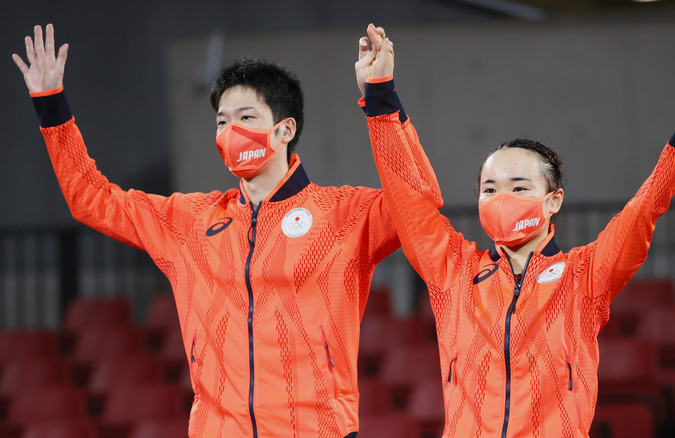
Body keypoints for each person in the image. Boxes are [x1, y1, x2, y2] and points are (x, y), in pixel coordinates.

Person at [13, 23, 441, 438]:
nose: (229, 131)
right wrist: (52, 106)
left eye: (245, 116)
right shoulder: (189, 222)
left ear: (285, 129)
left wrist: (381, 100)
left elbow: (421, 201)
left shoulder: (345, 214)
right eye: (221, 121)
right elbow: (92, 200)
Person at [356, 24, 675, 437]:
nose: (502, 198)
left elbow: (643, 211)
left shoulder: (584, 276)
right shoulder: (455, 274)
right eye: (489, 189)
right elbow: (406, 196)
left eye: (519, 187)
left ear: (553, 200)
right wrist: (380, 96)